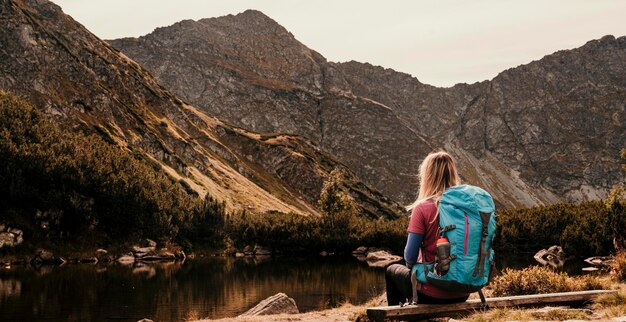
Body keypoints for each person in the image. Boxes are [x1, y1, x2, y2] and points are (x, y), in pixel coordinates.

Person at [385, 151, 470, 305]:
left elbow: (409, 257)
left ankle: (398, 316)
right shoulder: (466, 208)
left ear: (427, 177)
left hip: (431, 293)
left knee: (391, 270)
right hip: (463, 290)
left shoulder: (423, 208)